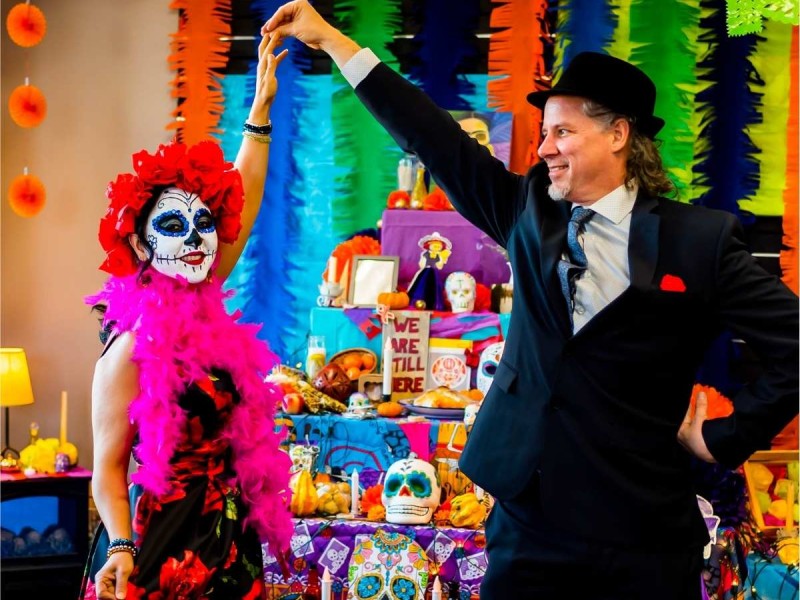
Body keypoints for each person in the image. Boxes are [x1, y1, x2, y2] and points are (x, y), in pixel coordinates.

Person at [262, 3, 799, 598]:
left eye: (563, 131)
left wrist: (725, 438)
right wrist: (337, 43)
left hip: (641, 531)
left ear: (620, 134)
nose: (544, 148)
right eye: (545, 133)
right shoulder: (526, 213)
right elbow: (432, 137)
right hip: (529, 522)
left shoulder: (701, 240)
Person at [81, 34, 292, 600]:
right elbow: (108, 465)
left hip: (229, 535)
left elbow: (239, 201)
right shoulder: (130, 344)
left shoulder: (201, 298)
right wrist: (120, 547)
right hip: (163, 543)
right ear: (142, 247)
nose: (197, 240)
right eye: (173, 228)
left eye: (202, 225)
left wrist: (259, 115)